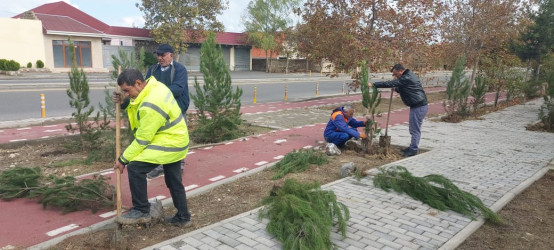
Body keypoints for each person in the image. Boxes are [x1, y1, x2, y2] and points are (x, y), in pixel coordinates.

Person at [113, 69, 192, 227]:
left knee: (135, 168)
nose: (127, 94)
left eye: (127, 91)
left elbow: (143, 139)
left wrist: (123, 159)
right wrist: (126, 103)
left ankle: (141, 210)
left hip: (170, 142)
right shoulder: (153, 86)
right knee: (174, 180)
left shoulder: (152, 102)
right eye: (123, 91)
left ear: (138, 83)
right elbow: (139, 106)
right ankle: (184, 217)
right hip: (176, 138)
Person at [145, 44, 190, 179]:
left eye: (163, 55)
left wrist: (157, 94)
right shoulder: (152, 70)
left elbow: (177, 88)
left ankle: (180, 164)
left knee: (179, 138)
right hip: (159, 110)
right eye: (158, 55)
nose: (160, 58)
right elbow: (146, 87)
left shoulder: (180, 69)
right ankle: (159, 166)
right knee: (158, 138)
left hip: (177, 109)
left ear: (171, 55)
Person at [370, 64, 428, 157]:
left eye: (395, 74)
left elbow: (391, 83)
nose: (395, 76)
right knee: (413, 129)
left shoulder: (407, 77)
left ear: (400, 71)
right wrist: (396, 88)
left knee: (414, 129)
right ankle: (412, 147)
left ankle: (413, 150)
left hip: (419, 107)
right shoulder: (407, 76)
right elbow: (404, 88)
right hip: (417, 106)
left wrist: (374, 85)